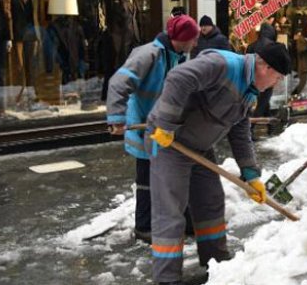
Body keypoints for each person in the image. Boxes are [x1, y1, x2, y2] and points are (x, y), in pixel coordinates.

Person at [146, 42, 291, 284]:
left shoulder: (250, 89)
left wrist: (251, 174)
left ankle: (217, 262)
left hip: (200, 148)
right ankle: (167, 278)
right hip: (170, 143)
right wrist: (167, 124)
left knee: (210, 201)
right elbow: (178, 77)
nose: (275, 84)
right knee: (171, 211)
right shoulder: (222, 64)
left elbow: (240, 129)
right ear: (264, 66)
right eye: (276, 77)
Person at [106, 15, 199, 244]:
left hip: (166, 128)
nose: (195, 44)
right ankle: (144, 227)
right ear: (182, 38)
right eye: (193, 39)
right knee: (146, 180)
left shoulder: (177, 57)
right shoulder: (149, 54)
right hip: (143, 126)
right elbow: (118, 83)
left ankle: (186, 222)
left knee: (178, 175)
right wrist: (117, 118)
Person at [246, 23, 277, 118]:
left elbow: (247, 62)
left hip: (255, 77)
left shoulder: (251, 46)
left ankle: (270, 123)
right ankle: (252, 125)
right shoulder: (273, 46)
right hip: (267, 78)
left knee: (263, 101)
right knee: (262, 103)